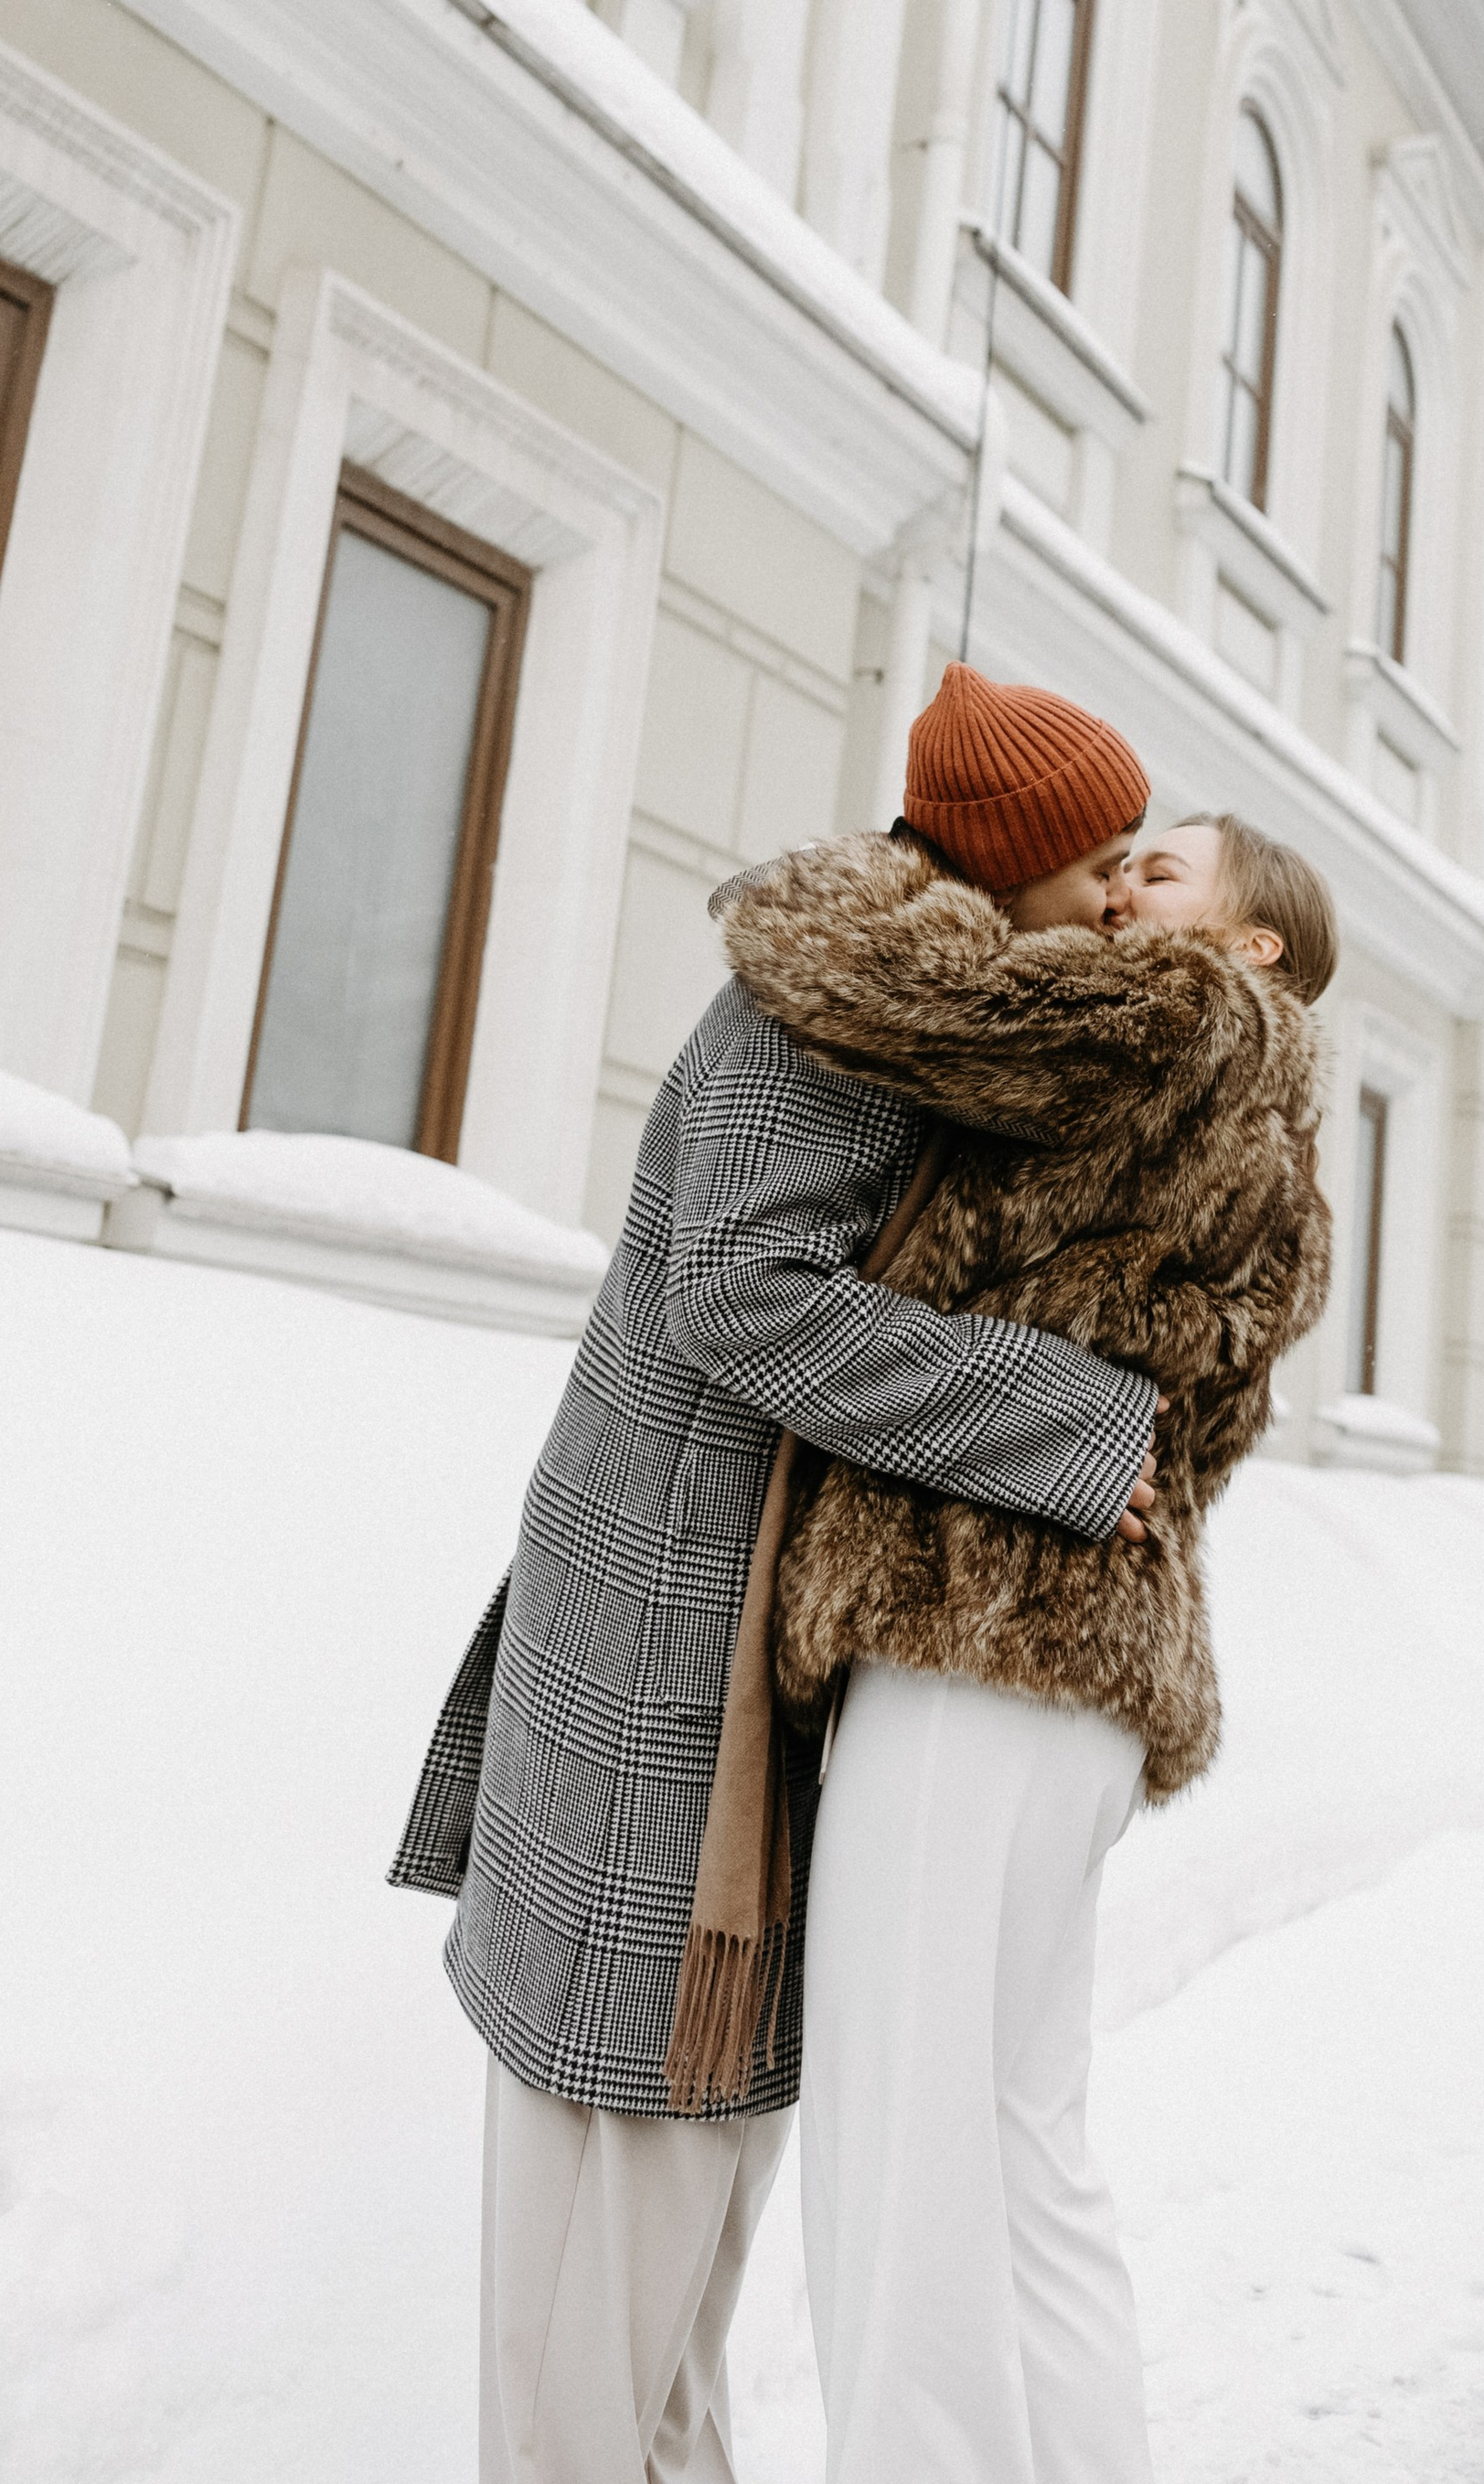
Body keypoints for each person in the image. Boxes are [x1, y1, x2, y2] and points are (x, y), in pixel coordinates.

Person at [390, 663, 1168, 2484]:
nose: (1119, 893)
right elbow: (739, 1295)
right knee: (611, 2247)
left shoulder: (902, 1001)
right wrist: (1067, 1419)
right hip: (668, 1652)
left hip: (704, 1645)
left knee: (655, 2255)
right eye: (1100, 860)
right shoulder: (826, 1021)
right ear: (1001, 861)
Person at [713, 798, 1337, 2484]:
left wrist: (844, 883)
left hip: (981, 1630)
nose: (1118, 884)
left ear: (1252, 941)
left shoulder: (1171, 1019)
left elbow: (892, 994)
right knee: (1018, 2139)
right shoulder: (1265, 1100)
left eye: (1161, 868)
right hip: (1082, 1659)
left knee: (898, 2127)